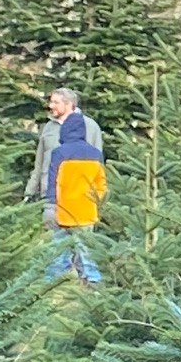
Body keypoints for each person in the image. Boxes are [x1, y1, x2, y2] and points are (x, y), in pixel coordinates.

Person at [45, 109, 107, 283]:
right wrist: (96, 202)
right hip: (86, 210)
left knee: (58, 249)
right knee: (86, 249)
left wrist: (50, 205)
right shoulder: (96, 154)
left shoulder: (59, 153)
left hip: (63, 209)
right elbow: (100, 184)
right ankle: (92, 280)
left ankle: (55, 281)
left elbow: (53, 181)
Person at [25, 88, 104, 205]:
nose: (51, 106)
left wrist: (97, 196)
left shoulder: (90, 127)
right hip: (49, 197)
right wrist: (29, 192)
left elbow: (98, 166)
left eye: (56, 103)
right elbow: (39, 164)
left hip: (80, 197)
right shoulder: (48, 127)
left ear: (69, 104)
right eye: (51, 102)